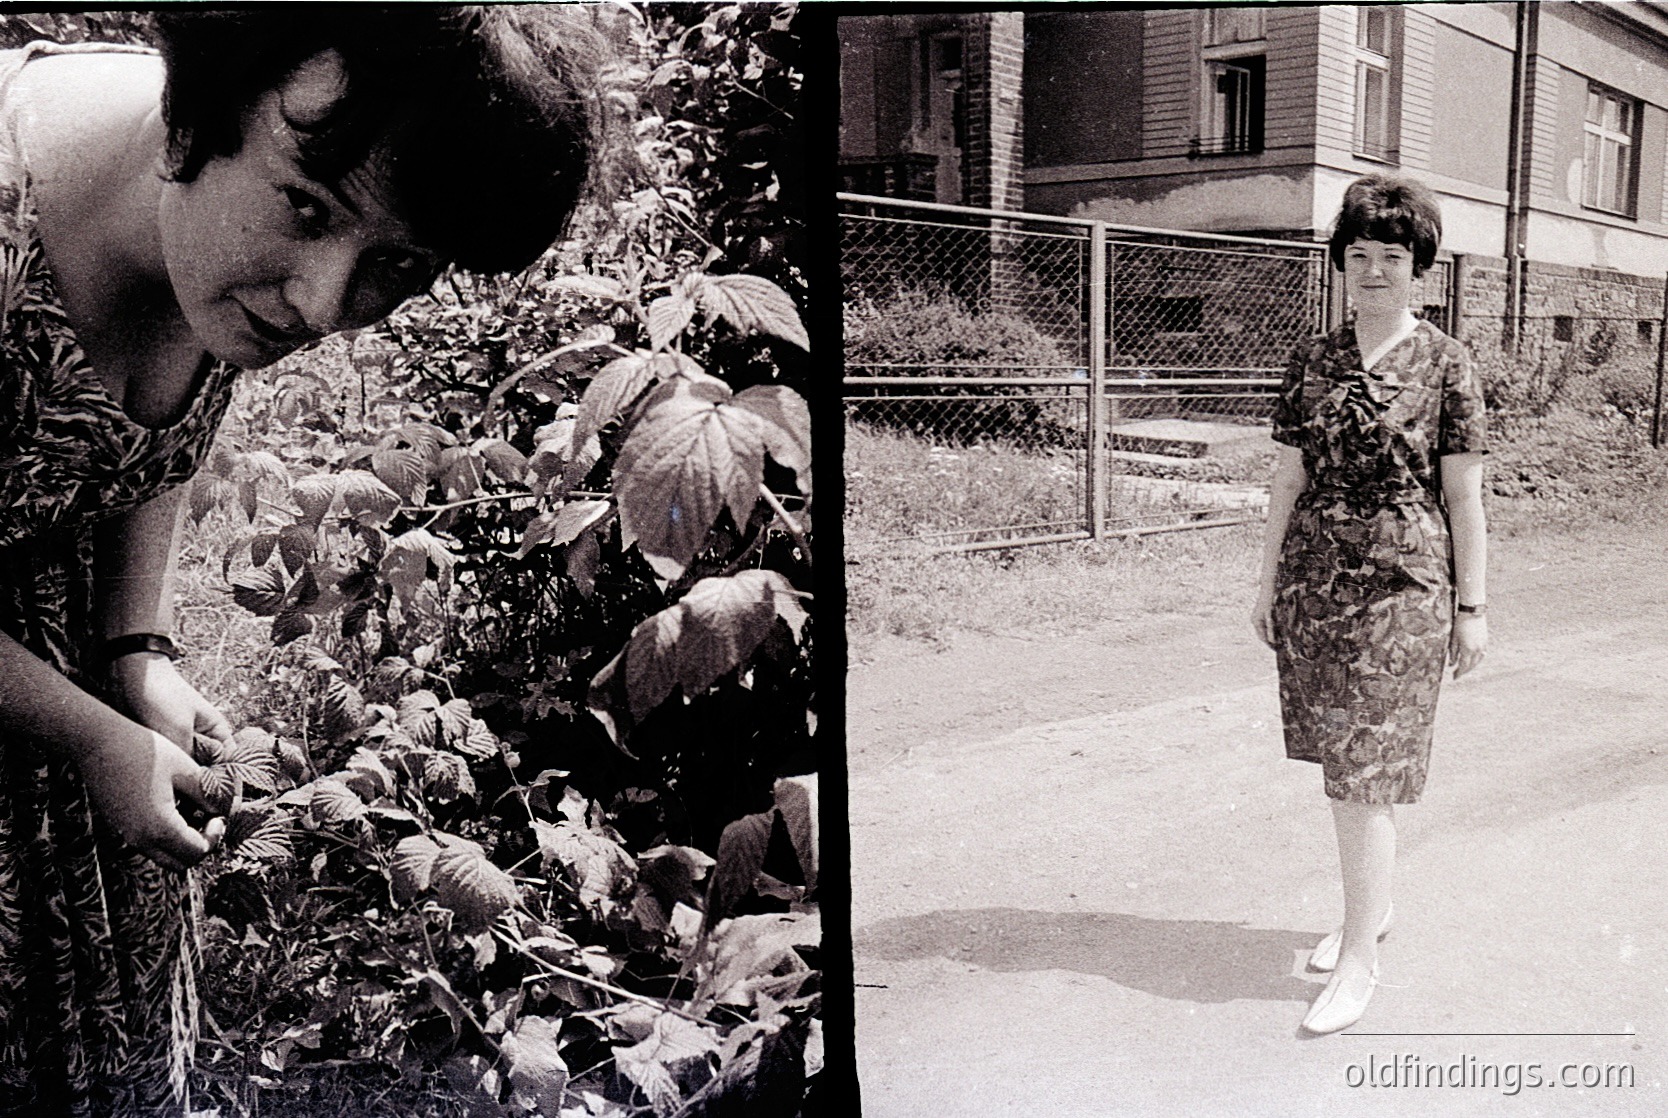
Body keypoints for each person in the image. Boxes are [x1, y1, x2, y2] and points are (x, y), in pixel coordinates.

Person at [0, 8, 605, 1112]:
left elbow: (154, 426)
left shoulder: (218, 230)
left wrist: (133, 645)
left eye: (399, 263)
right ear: (199, 109)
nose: (325, 303)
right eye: (306, 206)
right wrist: (83, 727)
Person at [1251, 173, 1488, 1036]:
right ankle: (1370, 910)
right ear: (1341, 264)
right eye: (1360, 256)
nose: (1376, 271)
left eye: (1392, 256)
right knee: (1345, 769)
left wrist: (1473, 607)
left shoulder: (1449, 364)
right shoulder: (1313, 359)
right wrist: (1267, 580)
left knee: (1365, 776)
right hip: (1317, 585)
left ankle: (1360, 955)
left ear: (1417, 265)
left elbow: (1464, 499)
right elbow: (1288, 476)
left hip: (1405, 588)